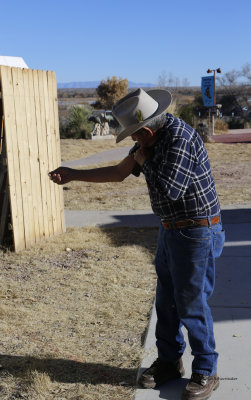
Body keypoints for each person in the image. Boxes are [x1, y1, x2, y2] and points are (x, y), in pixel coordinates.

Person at [49, 88, 225, 400]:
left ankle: (207, 370)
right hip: (172, 230)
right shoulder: (150, 140)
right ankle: (170, 362)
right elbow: (119, 173)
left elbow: (171, 189)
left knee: (192, 304)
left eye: (135, 137)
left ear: (145, 129)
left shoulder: (178, 138)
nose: (134, 143)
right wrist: (73, 174)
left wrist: (145, 160)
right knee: (166, 301)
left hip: (198, 232)